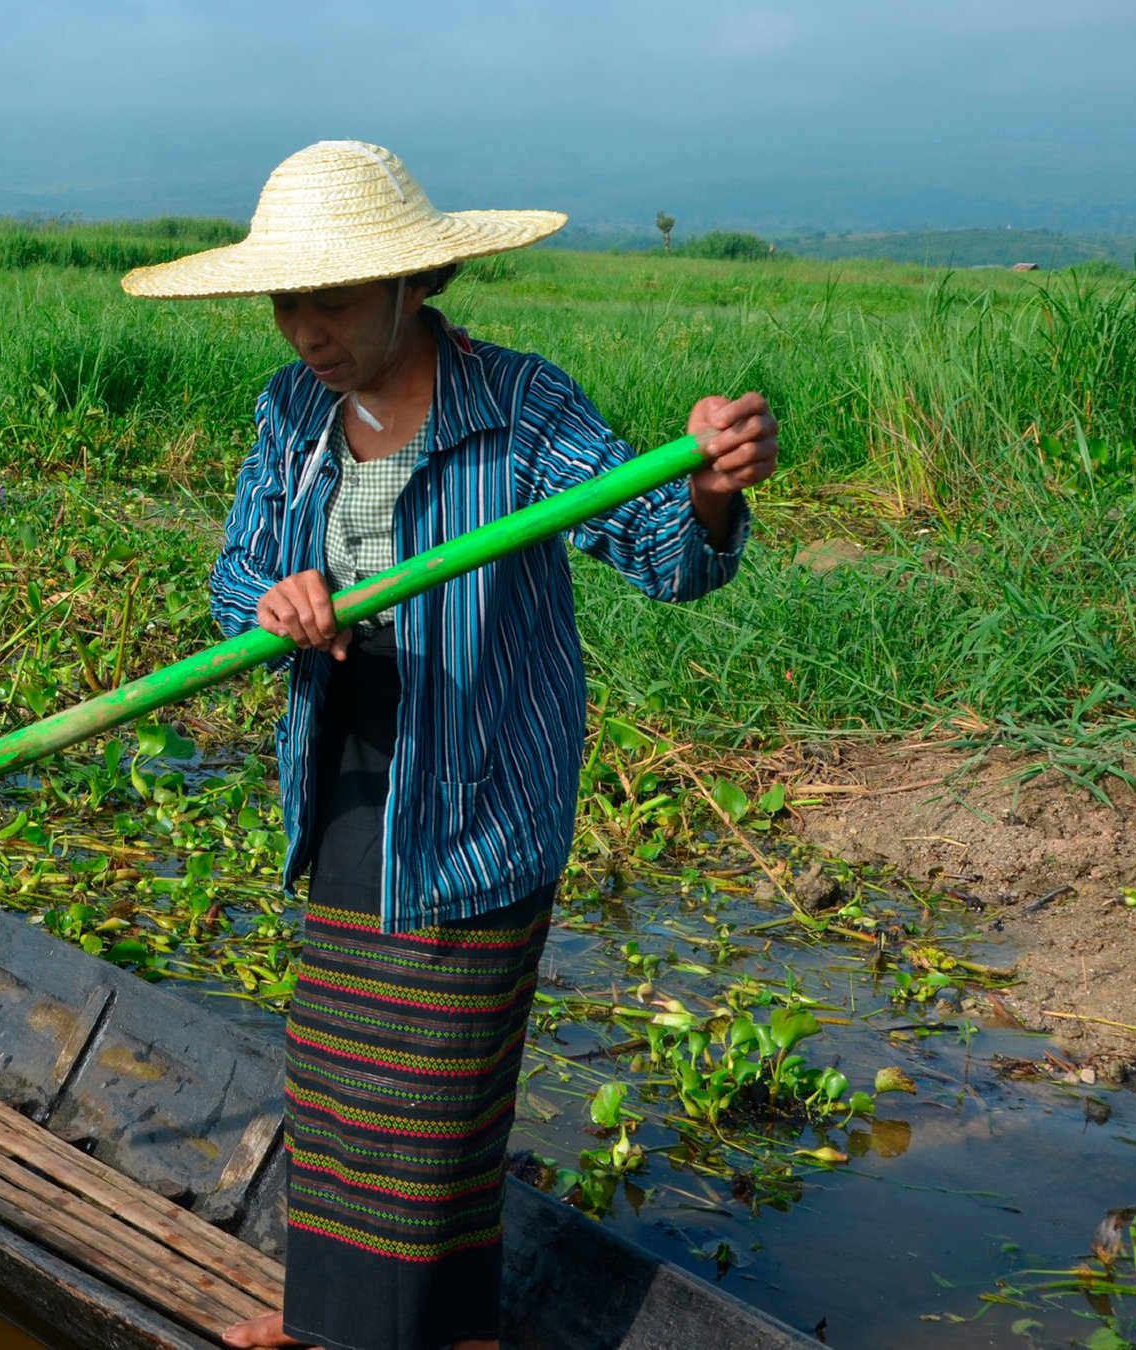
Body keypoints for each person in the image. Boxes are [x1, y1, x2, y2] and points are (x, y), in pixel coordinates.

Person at [120, 140, 779, 1350]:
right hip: (347, 762)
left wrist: (708, 492)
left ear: (412, 284)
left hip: (477, 784)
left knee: (435, 1095)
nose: (301, 329)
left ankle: (406, 1331)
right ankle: (342, 1317)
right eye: (285, 301)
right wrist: (276, 604)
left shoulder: (517, 406)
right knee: (338, 1087)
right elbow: (234, 581)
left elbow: (660, 554)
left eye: (328, 299)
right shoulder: (290, 413)